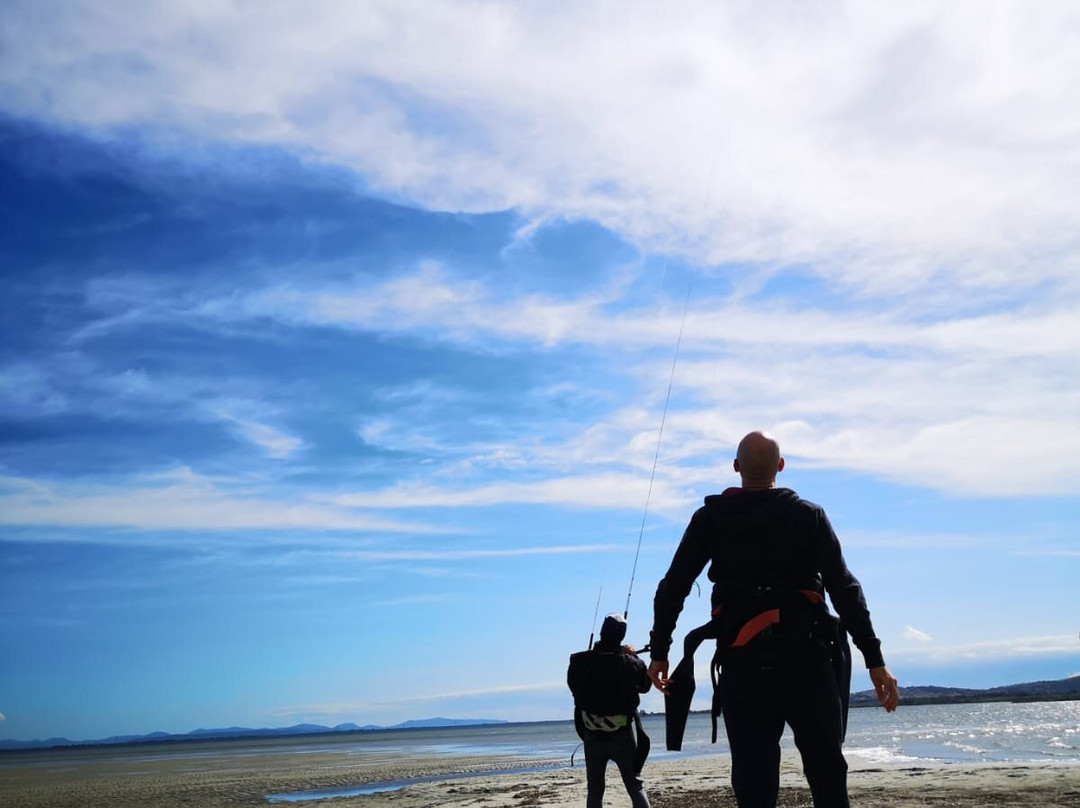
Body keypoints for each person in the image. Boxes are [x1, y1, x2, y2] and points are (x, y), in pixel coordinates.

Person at [648, 431, 899, 808]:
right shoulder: (807, 515)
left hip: (744, 670)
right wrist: (874, 660)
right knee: (828, 775)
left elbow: (673, 588)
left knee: (754, 784)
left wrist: (660, 652)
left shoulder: (710, 520)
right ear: (780, 467)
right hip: (808, 665)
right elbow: (845, 589)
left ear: (736, 468)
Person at [568, 614, 653, 808]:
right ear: (621, 636)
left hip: (592, 734)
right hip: (622, 735)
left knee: (595, 791)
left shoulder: (579, 662)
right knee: (635, 786)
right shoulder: (630, 663)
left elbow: (574, 687)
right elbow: (645, 685)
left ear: (601, 632)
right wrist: (632, 656)